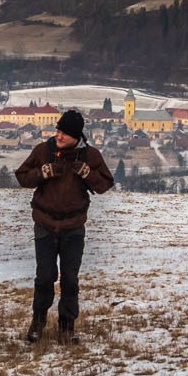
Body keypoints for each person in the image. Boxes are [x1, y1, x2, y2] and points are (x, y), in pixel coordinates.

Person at [14, 109, 114, 343]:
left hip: (74, 226)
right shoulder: (43, 150)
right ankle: (37, 322)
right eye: (58, 130)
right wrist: (43, 172)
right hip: (45, 224)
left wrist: (88, 174)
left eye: (64, 133)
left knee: (70, 279)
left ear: (77, 136)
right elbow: (22, 176)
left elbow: (105, 184)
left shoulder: (90, 156)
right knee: (44, 278)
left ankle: (67, 327)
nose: (59, 136)